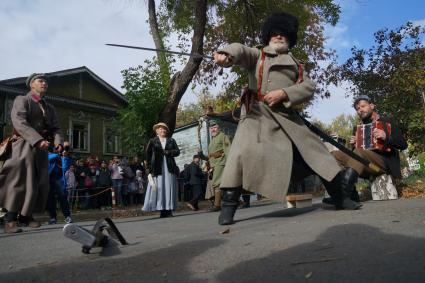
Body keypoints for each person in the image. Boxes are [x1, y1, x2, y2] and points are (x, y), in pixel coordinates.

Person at [213, 12, 353, 225]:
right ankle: (228, 206)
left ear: (290, 39)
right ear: (268, 37)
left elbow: (308, 87)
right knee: (241, 153)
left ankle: (341, 195)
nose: (279, 37)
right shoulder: (257, 56)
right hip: (256, 116)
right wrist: (226, 53)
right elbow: (239, 50)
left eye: (284, 35)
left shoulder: (297, 66)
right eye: (275, 34)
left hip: (287, 118)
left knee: (316, 152)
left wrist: (285, 94)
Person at [0, 73, 63, 233]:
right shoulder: (22, 100)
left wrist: (58, 143)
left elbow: (56, 128)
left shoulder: (49, 107)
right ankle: (10, 219)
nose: (44, 83)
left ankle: (26, 216)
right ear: (31, 85)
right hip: (23, 144)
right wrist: (37, 139)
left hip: (41, 148)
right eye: (40, 81)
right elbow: (19, 121)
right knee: (19, 180)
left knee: (38, 182)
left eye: (46, 81)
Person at [324, 95, 407, 205]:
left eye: (363, 106)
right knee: (334, 154)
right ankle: (351, 195)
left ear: (372, 106)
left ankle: (343, 195)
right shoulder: (358, 129)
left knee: (359, 152)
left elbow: (403, 144)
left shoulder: (387, 121)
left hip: (382, 165)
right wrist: (354, 145)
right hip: (366, 165)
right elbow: (355, 154)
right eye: (357, 109)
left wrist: (386, 137)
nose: (360, 110)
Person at [142, 122, 180, 218]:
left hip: (169, 167)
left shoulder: (171, 140)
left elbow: (177, 151)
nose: (162, 130)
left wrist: (168, 152)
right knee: (159, 188)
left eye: (164, 129)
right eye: (160, 129)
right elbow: (148, 155)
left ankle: (169, 210)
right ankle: (162, 210)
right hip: (157, 168)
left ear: (166, 131)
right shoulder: (152, 141)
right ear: (156, 131)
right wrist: (148, 168)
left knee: (169, 188)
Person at [198, 120, 231, 212]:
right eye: (211, 128)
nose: (213, 129)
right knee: (222, 184)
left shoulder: (223, 136)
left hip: (221, 163)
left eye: (215, 127)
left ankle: (217, 205)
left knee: (217, 184)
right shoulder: (212, 141)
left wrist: (230, 163)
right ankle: (235, 201)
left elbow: (228, 150)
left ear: (218, 128)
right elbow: (210, 157)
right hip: (214, 165)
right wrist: (201, 155)